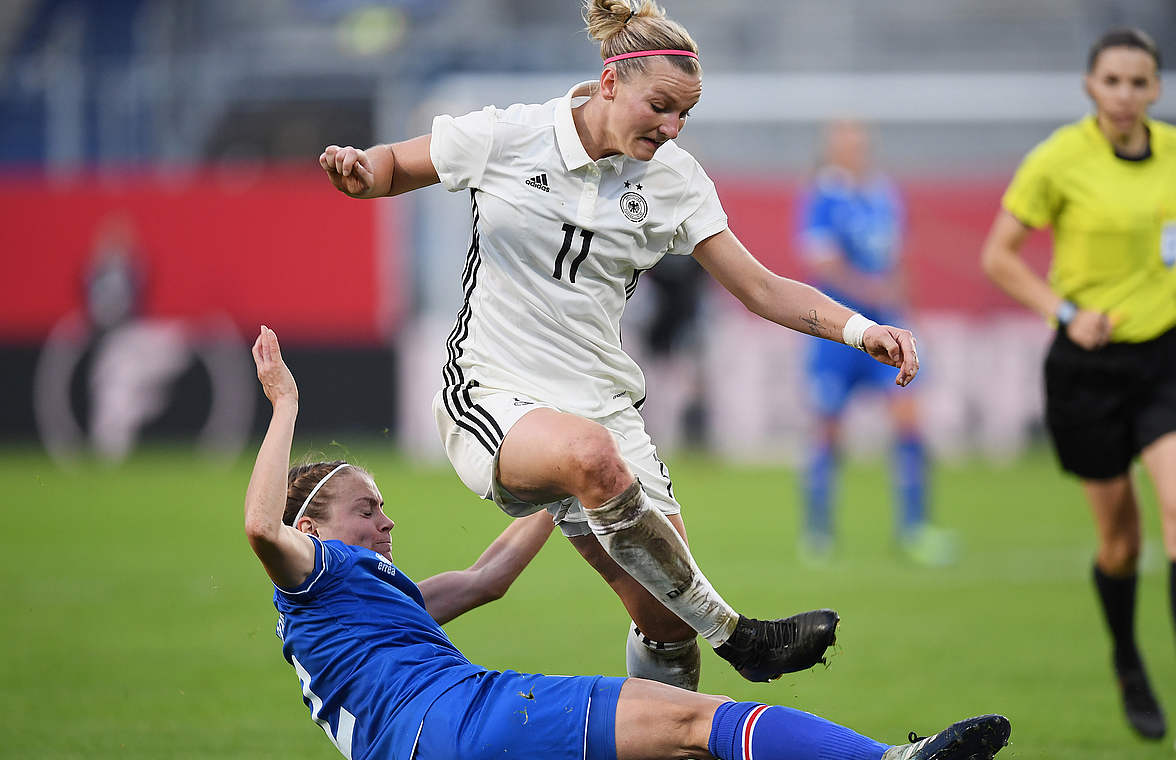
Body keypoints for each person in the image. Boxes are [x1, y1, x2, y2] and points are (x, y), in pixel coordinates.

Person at [318, 0, 921, 691]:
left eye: (684, 115)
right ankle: (740, 637)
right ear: (610, 83)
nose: (671, 128)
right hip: (493, 390)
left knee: (666, 625)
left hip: (602, 402)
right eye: (660, 106)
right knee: (590, 459)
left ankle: (668, 729)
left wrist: (860, 329)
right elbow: (394, 165)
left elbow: (758, 287)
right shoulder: (510, 134)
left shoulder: (676, 180)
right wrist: (361, 170)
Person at [244, 325, 1012, 760]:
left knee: (679, 740)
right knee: (693, 722)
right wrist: (285, 405)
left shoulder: (358, 607)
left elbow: (486, 579)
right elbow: (259, 527)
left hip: (417, 747)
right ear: (311, 529)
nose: (385, 523)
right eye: (366, 510)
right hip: (465, 722)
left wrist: (573, 476)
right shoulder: (315, 571)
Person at [979, 27, 1176, 754]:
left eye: (1139, 82)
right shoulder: (1058, 159)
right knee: (1121, 544)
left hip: (1168, 357)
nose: (1125, 95)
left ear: (1156, 90)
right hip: (1087, 369)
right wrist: (1064, 312)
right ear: (1091, 87)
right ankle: (1127, 659)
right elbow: (998, 257)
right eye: (1112, 81)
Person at [796, 120, 953, 565]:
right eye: (846, 143)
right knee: (827, 429)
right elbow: (823, 264)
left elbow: (898, 258)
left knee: (909, 421)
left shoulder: (884, 194)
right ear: (831, 149)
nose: (855, 150)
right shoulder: (823, 196)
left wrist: (902, 308)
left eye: (860, 143)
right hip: (838, 334)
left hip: (886, 329)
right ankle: (819, 532)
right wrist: (871, 294)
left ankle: (914, 529)